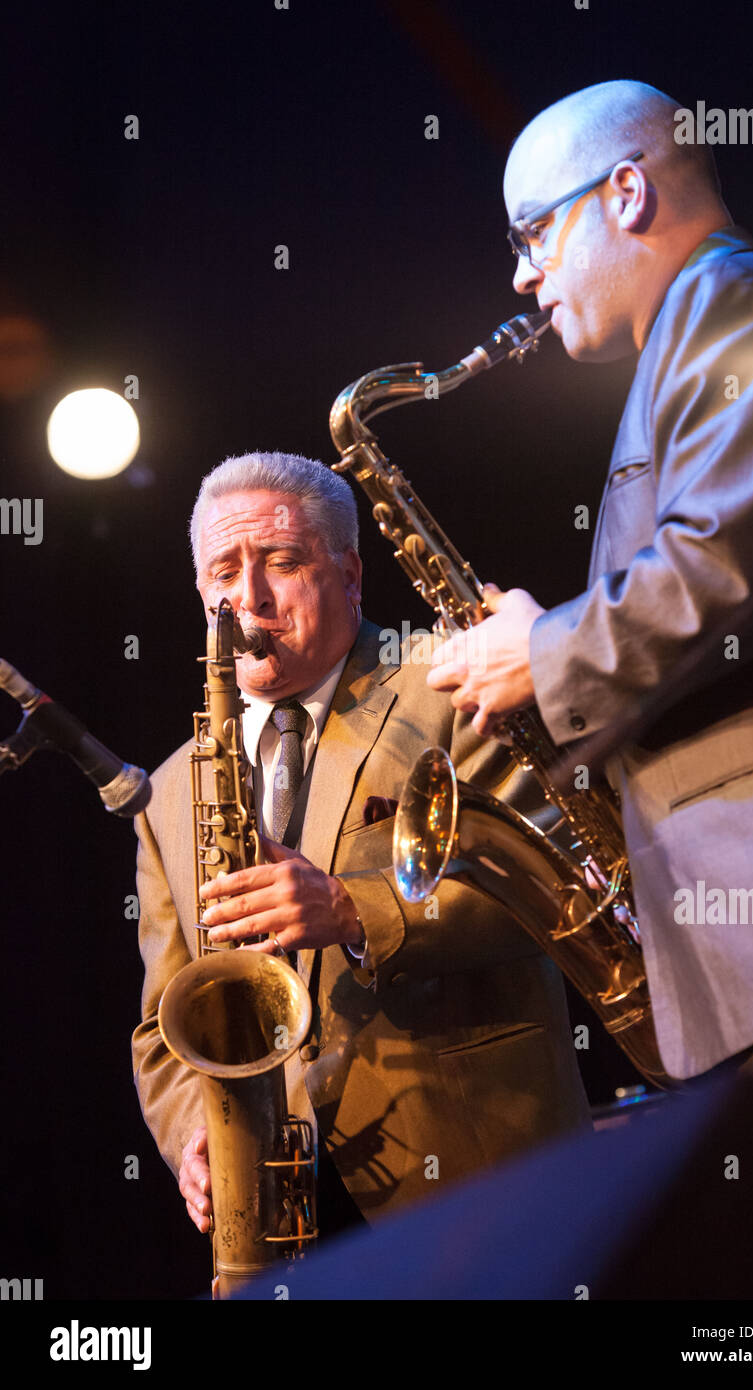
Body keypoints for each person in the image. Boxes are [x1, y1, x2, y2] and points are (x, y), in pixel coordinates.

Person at [428, 81, 753, 1165]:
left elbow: (724, 565)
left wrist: (538, 651)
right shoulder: (699, 328)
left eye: (533, 233)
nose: (522, 275)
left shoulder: (737, 304)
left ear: (624, 192)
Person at [132, 451, 590, 1242]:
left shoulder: (455, 683)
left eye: (281, 562)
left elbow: (562, 888)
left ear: (349, 574)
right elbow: (163, 1024)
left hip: (481, 1176)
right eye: (224, 573)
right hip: (281, 1211)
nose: (249, 599)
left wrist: (353, 910)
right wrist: (190, 1143)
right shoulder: (168, 791)